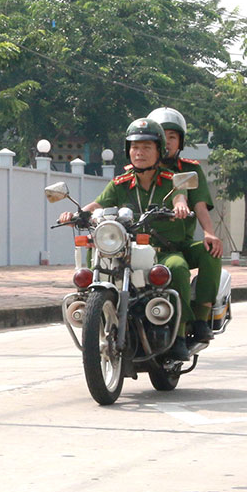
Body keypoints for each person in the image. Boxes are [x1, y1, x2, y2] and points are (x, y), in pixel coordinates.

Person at [59, 118, 193, 360]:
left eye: (146, 147)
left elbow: (179, 198)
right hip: (126, 250)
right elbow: (96, 204)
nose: (139, 153)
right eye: (134, 147)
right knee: (96, 250)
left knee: (178, 268)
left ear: (159, 151)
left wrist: (181, 206)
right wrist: (75, 214)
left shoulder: (171, 179)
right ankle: (94, 313)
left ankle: (180, 335)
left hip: (162, 250)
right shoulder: (120, 183)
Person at [148, 106, 221, 343]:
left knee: (210, 251)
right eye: (162, 137)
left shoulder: (190, 170)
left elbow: (198, 204)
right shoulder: (140, 170)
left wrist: (210, 233)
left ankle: (200, 317)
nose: (167, 142)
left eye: (173, 137)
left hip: (180, 245)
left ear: (180, 141)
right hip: (144, 247)